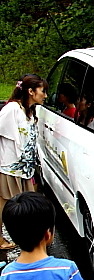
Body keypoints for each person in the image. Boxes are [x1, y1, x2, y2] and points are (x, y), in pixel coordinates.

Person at [0, 74, 48, 250]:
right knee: (5, 205)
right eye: (42, 91)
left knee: (27, 204)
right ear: (31, 91)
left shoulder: (29, 110)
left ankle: (29, 240)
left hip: (25, 169)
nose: (45, 95)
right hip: (10, 168)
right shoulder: (12, 109)